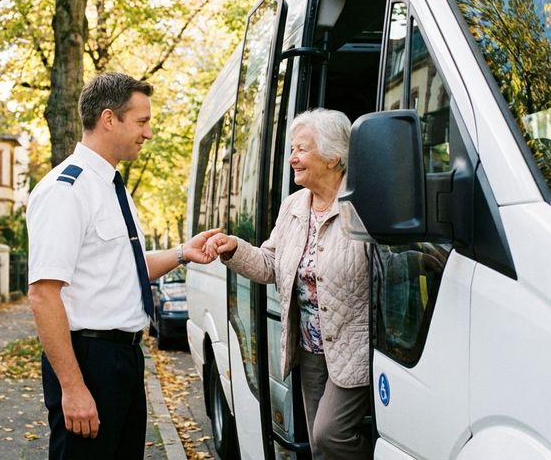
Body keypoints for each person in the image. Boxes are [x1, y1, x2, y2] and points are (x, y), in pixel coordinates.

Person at [26, 72, 219, 459]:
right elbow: (43, 294)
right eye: (142, 122)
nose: (148, 133)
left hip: (124, 360)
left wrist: (183, 252)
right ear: (109, 119)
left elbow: (125, 269)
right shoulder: (67, 190)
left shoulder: (112, 186)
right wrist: (74, 387)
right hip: (90, 360)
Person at [204, 108, 373, 458]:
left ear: (334, 156)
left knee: (330, 435)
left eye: (301, 150)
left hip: (354, 347)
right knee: (317, 443)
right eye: (291, 150)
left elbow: (391, 266)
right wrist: (235, 248)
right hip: (309, 349)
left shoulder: (365, 204)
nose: (292, 159)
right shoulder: (293, 206)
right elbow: (271, 266)